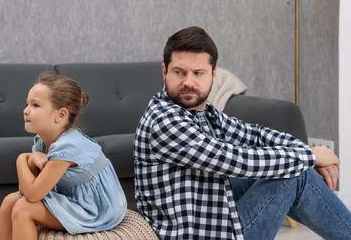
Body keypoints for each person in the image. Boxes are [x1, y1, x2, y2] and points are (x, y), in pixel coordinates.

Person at [134, 26, 351, 239]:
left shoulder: (204, 113)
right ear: (165, 71)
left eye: (198, 73)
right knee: (296, 175)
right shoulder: (164, 120)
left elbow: (254, 135)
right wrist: (312, 156)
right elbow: (237, 160)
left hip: (218, 222)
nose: (188, 82)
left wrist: (307, 151)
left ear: (213, 74)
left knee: (290, 166)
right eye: (179, 72)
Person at [0, 74, 127, 240]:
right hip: (73, 199)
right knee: (9, 201)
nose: (26, 110)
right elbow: (24, 190)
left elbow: (32, 196)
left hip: (97, 208)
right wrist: (32, 158)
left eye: (35, 105)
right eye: (27, 103)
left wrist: (22, 159)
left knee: (23, 209)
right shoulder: (42, 141)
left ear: (61, 115)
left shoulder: (68, 147)